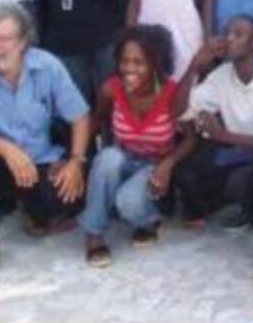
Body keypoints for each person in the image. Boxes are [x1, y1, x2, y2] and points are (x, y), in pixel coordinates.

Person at [0, 3, 90, 272]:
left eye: (3, 39)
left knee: (66, 198)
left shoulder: (47, 65)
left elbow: (79, 116)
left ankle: (32, 209)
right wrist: (8, 150)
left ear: (23, 42)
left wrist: (76, 161)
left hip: (39, 160)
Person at [78, 25, 197, 267]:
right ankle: (94, 234)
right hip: (123, 159)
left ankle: (146, 221)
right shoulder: (111, 89)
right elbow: (97, 119)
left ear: (155, 64)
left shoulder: (171, 93)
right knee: (108, 158)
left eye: (139, 62)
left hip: (155, 167)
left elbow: (191, 138)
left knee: (129, 201)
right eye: (125, 61)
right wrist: (74, 157)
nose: (129, 69)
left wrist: (167, 165)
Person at [173, 15, 253, 229]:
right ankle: (223, 202)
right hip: (240, 152)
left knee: (239, 182)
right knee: (187, 170)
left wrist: (224, 136)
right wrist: (195, 66)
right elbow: (179, 112)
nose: (229, 38)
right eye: (227, 33)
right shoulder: (221, 76)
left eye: (238, 34)